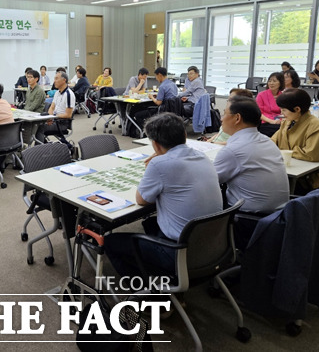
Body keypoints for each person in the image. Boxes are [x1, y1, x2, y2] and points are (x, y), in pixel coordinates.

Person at [104, 113, 223, 278]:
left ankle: (155, 292)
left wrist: (154, 165)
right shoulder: (202, 156)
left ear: (155, 144)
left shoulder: (159, 164)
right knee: (150, 224)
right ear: (185, 135)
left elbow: (142, 200)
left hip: (180, 252)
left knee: (111, 242)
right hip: (213, 245)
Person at [213, 96, 290, 212]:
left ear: (237, 118)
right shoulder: (266, 141)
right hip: (279, 215)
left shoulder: (232, 150)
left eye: (225, 113)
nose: (221, 119)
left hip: (249, 219)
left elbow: (209, 181)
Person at [272, 88, 319, 191]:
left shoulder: (314, 124)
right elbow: (273, 141)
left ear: (297, 109)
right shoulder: (288, 121)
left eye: (284, 110)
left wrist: (284, 152)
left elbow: (311, 154)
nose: (281, 113)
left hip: (307, 179)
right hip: (287, 171)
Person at [35, 71, 74, 145]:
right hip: (55, 120)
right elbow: (52, 107)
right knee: (35, 125)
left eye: (56, 79)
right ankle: (44, 146)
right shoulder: (57, 93)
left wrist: (53, 117)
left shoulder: (69, 94)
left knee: (39, 128)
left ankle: (38, 151)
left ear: (64, 80)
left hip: (62, 123)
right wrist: (50, 118)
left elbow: (68, 115)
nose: (54, 81)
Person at [256, 72, 284, 137]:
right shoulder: (261, 95)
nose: (271, 83)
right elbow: (258, 113)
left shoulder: (283, 95)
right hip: (265, 122)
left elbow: (285, 112)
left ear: (280, 83)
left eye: (274, 81)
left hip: (280, 121)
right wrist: (271, 121)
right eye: (270, 81)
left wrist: (282, 120)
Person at [22, 69, 46, 145]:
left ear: (36, 79)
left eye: (30, 77)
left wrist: (23, 112)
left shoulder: (40, 91)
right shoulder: (29, 90)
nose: (28, 79)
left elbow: (34, 106)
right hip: (29, 114)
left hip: (36, 116)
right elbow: (27, 104)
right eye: (27, 77)